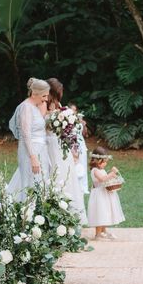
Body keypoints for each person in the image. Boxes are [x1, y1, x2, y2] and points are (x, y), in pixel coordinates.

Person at [44, 78, 87, 224]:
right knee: (53, 174)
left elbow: (65, 129)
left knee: (66, 176)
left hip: (61, 146)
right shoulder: (43, 105)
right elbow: (41, 125)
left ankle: (67, 215)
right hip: (49, 145)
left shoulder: (60, 106)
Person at [6, 77, 51, 202]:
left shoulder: (35, 106)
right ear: (35, 93)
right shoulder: (26, 107)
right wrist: (33, 157)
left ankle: (38, 215)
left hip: (40, 150)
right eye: (44, 96)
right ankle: (26, 214)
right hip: (30, 151)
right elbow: (26, 134)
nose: (46, 99)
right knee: (29, 183)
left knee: (39, 182)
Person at [87, 147, 125, 240]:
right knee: (100, 213)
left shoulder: (101, 170)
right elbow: (102, 179)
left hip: (104, 194)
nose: (105, 163)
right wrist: (112, 173)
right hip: (99, 196)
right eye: (104, 162)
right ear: (97, 160)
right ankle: (98, 234)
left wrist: (112, 177)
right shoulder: (95, 170)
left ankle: (103, 231)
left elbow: (105, 178)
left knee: (105, 213)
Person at [69, 102, 90, 196]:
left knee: (83, 164)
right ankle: (73, 186)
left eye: (75, 110)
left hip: (81, 144)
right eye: (72, 110)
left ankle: (83, 187)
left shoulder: (79, 120)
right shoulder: (67, 120)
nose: (74, 112)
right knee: (73, 165)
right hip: (72, 144)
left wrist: (84, 125)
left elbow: (85, 134)